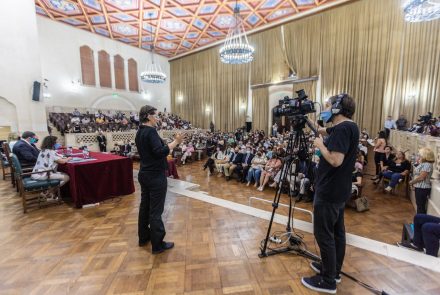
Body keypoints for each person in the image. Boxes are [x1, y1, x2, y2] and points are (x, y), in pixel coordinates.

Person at [301, 94, 359, 294]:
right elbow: (323, 130)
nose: (325, 109)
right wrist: (306, 120)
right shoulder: (350, 126)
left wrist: (320, 146)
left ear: (336, 108)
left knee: (324, 234)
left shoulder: (343, 129)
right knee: (337, 233)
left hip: (330, 190)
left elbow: (335, 160)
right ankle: (333, 270)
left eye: (327, 106)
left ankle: (328, 281)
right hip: (339, 189)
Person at [136, 105, 183, 254]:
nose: (158, 118)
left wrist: (168, 143)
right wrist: (176, 142)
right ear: (149, 116)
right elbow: (159, 152)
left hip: (144, 173)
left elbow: (153, 150)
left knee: (145, 207)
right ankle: (158, 244)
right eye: (155, 116)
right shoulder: (150, 131)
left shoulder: (140, 131)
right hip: (155, 176)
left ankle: (143, 237)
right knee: (156, 211)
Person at [31, 136, 71, 200]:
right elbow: (62, 161)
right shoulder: (51, 152)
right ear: (52, 143)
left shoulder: (43, 150)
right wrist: (69, 158)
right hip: (44, 174)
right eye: (56, 142)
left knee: (63, 173)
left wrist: (63, 157)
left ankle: (48, 192)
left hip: (37, 172)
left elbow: (56, 156)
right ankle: (49, 193)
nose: (57, 143)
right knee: (67, 177)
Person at [409, 148, 434, 214]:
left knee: (421, 207)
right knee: (419, 206)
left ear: (425, 155)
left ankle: (420, 223)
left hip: (423, 188)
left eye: (420, 154)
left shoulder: (427, 164)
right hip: (419, 187)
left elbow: (421, 177)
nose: (418, 156)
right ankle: (419, 222)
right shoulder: (424, 163)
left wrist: (412, 182)